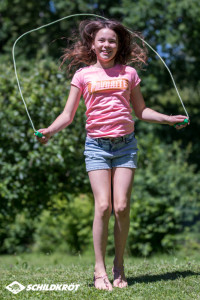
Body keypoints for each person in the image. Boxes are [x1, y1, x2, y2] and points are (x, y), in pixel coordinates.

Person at [35, 19, 188, 291]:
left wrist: (166, 118)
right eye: (102, 40)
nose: (107, 45)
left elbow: (140, 111)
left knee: (121, 207)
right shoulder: (82, 75)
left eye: (113, 41)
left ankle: (119, 266)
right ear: (92, 44)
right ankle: (99, 269)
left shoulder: (128, 73)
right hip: (96, 146)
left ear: (119, 45)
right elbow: (67, 115)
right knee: (103, 206)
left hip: (125, 146)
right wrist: (50, 130)